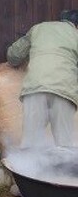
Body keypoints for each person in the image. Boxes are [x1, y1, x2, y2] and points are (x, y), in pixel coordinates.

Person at [6, 9, 78, 149]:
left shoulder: (38, 28)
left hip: (35, 89)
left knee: (30, 144)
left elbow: (13, 56)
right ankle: (63, 171)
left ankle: (27, 170)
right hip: (64, 91)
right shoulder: (75, 34)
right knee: (65, 146)